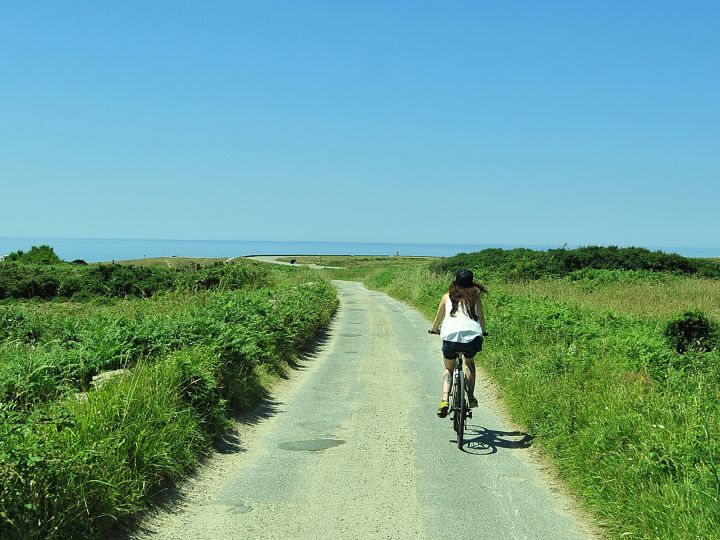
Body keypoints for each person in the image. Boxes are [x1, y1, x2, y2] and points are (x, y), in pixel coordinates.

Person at [429, 269, 488, 418]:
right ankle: (470, 394)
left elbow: (438, 318)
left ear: (455, 281)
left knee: (448, 369)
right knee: (469, 364)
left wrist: (434, 329)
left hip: (450, 338)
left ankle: (444, 400)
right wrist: (483, 331)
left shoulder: (446, 297)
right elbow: (481, 317)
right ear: (471, 282)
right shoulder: (475, 297)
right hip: (471, 339)